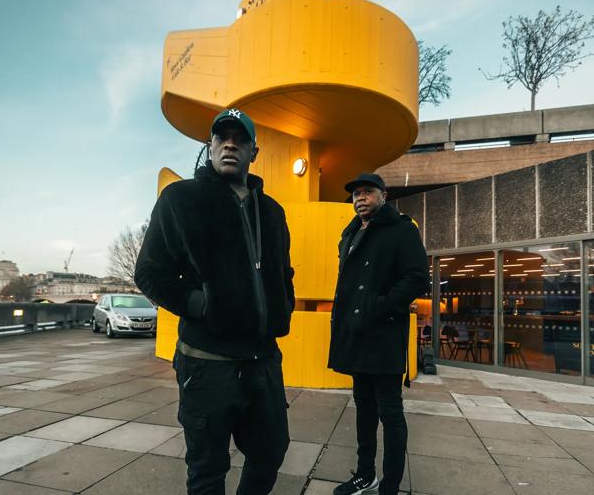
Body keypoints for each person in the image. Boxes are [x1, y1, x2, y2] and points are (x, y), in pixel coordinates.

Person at [135, 108, 295, 495]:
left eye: (239, 139)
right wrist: (200, 304)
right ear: (210, 147)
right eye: (221, 138)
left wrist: (283, 304)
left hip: (262, 361)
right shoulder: (181, 199)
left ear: (253, 151)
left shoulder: (272, 211)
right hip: (207, 363)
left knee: (271, 452)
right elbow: (149, 273)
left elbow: (283, 273)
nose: (229, 144)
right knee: (208, 468)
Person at [328, 173, 430, 495]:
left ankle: (390, 484)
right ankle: (364, 473)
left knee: (390, 411)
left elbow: (416, 278)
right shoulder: (352, 234)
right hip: (357, 335)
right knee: (363, 408)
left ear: (383, 195)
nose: (360, 198)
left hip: (384, 335)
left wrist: (383, 306)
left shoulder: (402, 230)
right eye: (356, 194)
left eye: (367, 192)